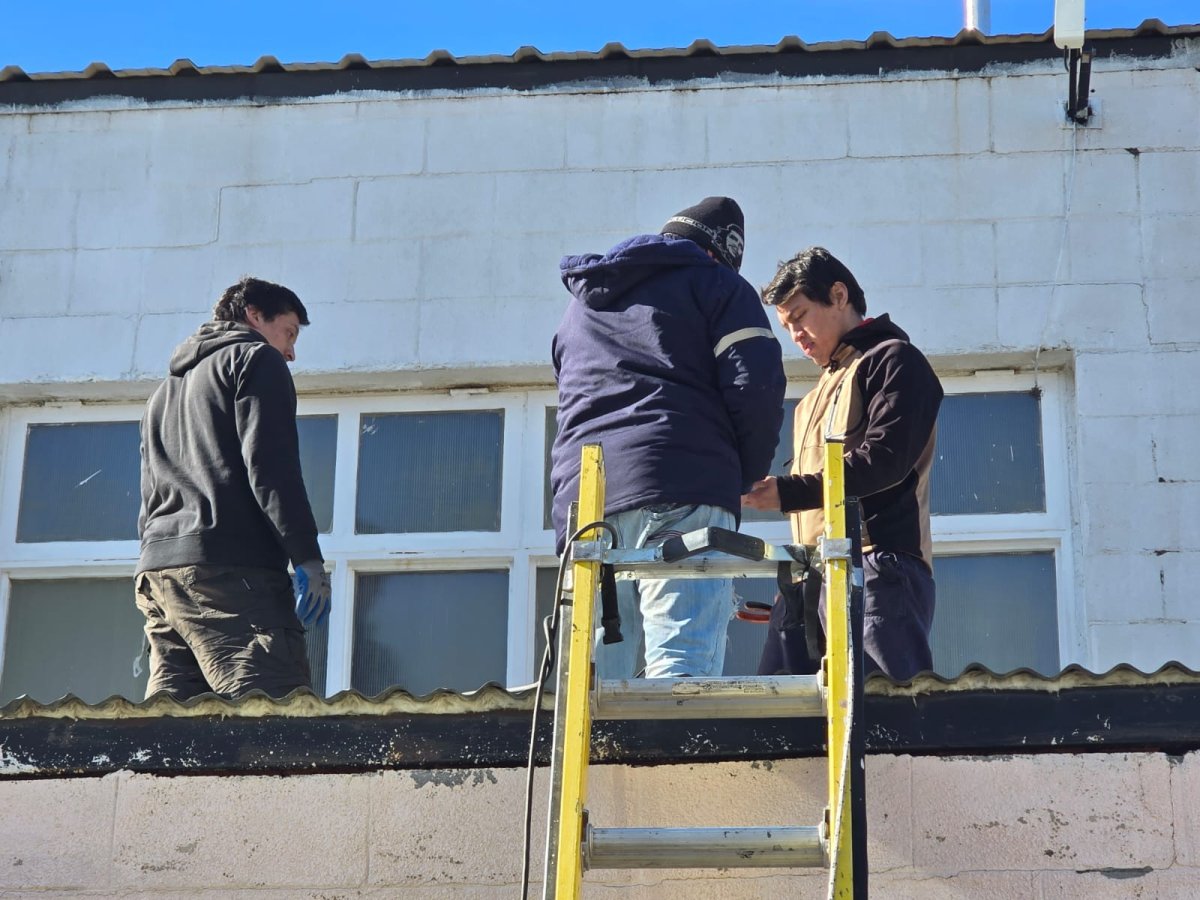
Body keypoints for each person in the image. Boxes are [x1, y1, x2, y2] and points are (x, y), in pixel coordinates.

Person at [551, 197, 786, 678]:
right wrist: (742, 475)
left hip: (587, 503)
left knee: (593, 679)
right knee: (681, 669)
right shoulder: (717, 285)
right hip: (684, 486)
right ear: (722, 251)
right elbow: (756, 386)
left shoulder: (579, 309)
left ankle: (600, 755)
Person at [744, 247, 943, 681]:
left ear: (838, 295)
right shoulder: (813, 397)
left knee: (883, 715)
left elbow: (884, 461)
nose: (795, 334)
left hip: (877, 566)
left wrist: (788, 491)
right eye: (785, 326)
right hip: (808, 578)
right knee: (775, 725)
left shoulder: (895, 360)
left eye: (799, 316)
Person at [135, 276, 330, 700]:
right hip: (232, 575)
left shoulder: (162, 395)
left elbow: (150, 495)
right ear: (254, 315)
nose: (291, 352)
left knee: (170, 737)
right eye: (289, 332)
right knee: (276, 717)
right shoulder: (256, 359)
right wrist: (308, 559)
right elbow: (272, 468)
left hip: (160, 577)